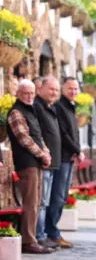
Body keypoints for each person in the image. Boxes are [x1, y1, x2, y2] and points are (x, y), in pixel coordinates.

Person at [6, 79, 53, 254]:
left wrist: (46, 153)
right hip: (27, 164)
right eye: (25, 93)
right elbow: (25, 140)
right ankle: (28, 241)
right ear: (18, 93)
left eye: (32, 93)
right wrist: (43, 155)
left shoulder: (30, 111)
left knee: (36, 203)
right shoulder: (16, 112)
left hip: (36, 163)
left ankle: (32, 238)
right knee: (30, 203)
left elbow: (38, 137)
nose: (29, 96)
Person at [46, 77, 85, 248]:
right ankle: (51, 233)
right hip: (61, 158)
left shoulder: (70, 106)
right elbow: (63, 134)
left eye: (76, 89)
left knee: (62, 197)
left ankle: (54, 232)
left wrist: (76, 151)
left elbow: (73, 133)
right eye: (70, 88)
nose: (73, 91)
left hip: (69, 158)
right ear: (63, 89)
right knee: (57, 197)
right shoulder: (59, 107)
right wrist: (77, 150)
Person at [33, 76, 62, 250]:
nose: (54, 93)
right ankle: (39, 236)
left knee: (47, 201)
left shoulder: (49, 108)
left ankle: (43, 234)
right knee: (42, 202)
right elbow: (37, 134)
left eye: (56, 90)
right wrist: (44, 153)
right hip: (43, 162)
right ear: (40, 89)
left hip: (52, 163)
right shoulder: (37, 107)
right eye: (51, 89)